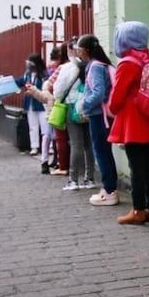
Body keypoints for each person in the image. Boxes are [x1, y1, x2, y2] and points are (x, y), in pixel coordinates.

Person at [108, 21, 149, 225]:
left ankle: (138, 210)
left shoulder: (127, 62)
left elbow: (117, 96)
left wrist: (112, 108)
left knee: (136, 166)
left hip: (132, 120)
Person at [75, 34, 120, 207]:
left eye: (79, 49)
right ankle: (110, 188)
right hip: (104, 115)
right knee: (104, 151)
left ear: (85, 51)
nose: (78, 52)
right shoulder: (103, 64)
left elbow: (98, 92)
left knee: (101, 151)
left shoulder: (94, 66)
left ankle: (109, 190)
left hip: (99, 116)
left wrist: (83, 105)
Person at [53, 41, 95, 191]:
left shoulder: (67, 68)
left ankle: (73, 180)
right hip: (89, 107)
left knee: (76, 144)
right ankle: (89, 179)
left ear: (72, 50)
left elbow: (57, 91)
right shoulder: (92, 66)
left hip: (72, 107)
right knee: (89, 144)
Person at [44, 44, 71, 175]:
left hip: (61, 106)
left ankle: (63, 166)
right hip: (78, 107)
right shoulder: (83, 65)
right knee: (80, 141)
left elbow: (50, 87)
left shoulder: (63, 67)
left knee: (61, 138)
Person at [14, 54, 47, 156]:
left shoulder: (44, 75)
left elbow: (46, 88)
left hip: (41, 104)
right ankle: (34, 146)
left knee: (45, 126)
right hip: (30, 104)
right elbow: (19, 82)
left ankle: (48, 147)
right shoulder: (27, 75)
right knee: (33, 126)